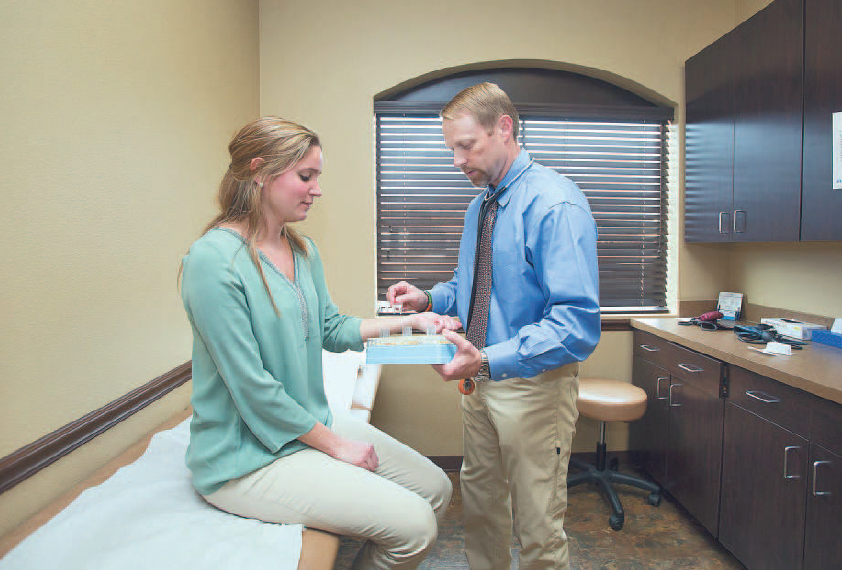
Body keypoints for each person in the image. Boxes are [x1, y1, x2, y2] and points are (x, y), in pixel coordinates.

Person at [180, 116, 456, 570]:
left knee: (437, 488)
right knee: (416, 528)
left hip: (303, 424)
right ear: (260, 171)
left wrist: (413, 323)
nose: (317, 189)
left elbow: (331, 328)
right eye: (306, 176)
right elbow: (252, 387)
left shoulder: (302, 250)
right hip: (244, 457)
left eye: (317, 177)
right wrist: (335, 445)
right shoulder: (212, 262)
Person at [387, 83, 601, 569]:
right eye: (452, 149)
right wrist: (428, 297)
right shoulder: (481, 204)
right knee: (481, 508)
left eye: (467, 146)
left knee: (538, 525)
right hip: (478, 384)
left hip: (533, 390)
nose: (458, 160)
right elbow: (474, 283)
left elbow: (576, 324)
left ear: (503, 127)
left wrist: (487, 359)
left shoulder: (554, 204)